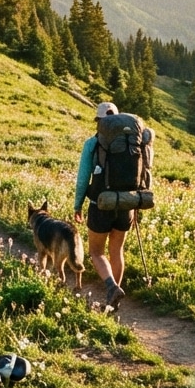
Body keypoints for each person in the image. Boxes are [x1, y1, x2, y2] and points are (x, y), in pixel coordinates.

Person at [73, 101, 133, 308]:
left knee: (97, 252)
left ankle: (111, 287)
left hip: (100, 204)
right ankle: (114, 301)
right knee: (117, 250)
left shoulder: (93, 143)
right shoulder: (131, 143)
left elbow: (83, 178)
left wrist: (77, 205)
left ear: (98, 121)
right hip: (126, 204)